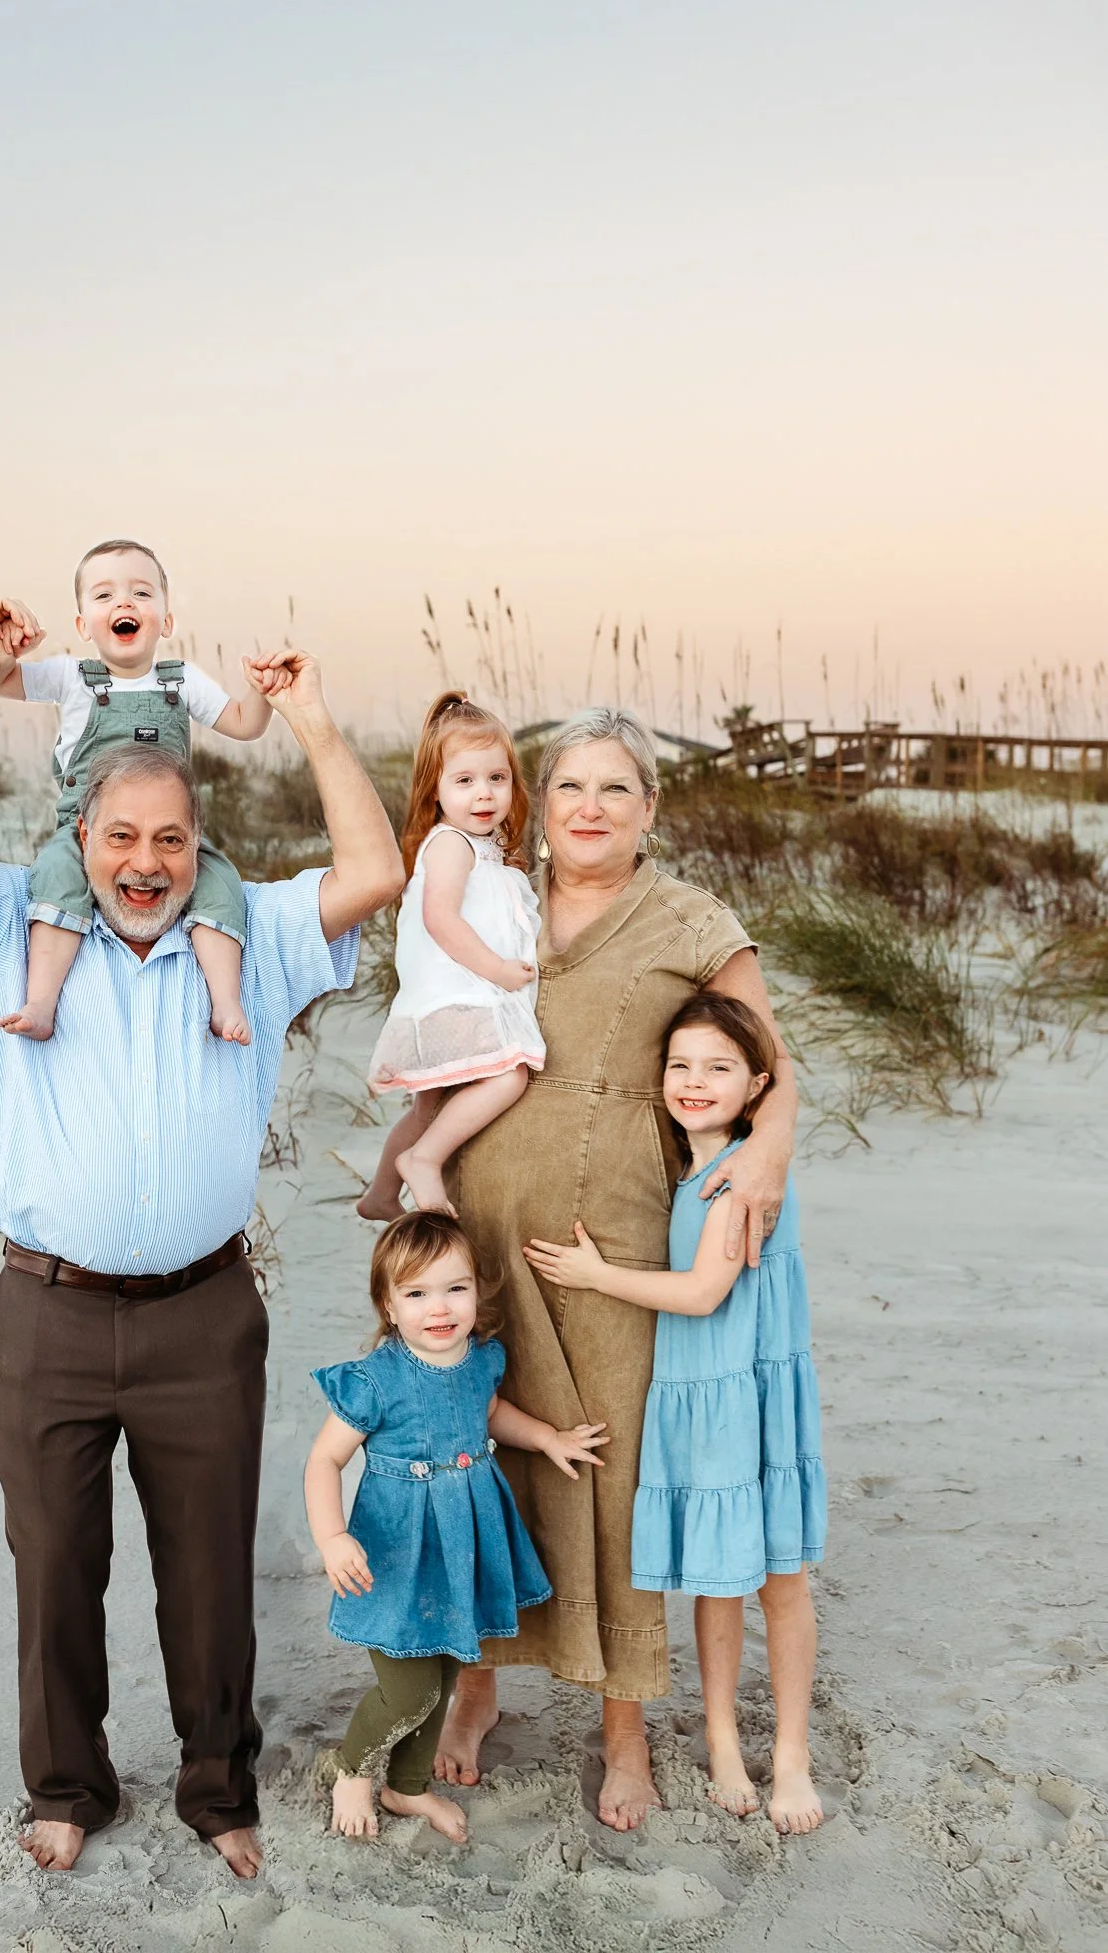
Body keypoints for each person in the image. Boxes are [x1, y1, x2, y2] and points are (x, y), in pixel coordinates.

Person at [0, 595, 403, 1880]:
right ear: (81, 838)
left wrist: (314, 717)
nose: (145, 861)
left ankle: (222, 1788)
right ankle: (66, 1785)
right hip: (48, 1310)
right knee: (54, 1564)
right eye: (119, 836)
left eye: (170, 837)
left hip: (206, 1313)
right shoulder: (10, 926)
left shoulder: (250, 936)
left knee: (211, 1570)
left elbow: (375, 871)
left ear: (199, 844)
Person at [433, 706, 798, 1833]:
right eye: (569, 789)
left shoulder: (691, 917)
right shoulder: (488, 897)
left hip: (624, 1237)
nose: (589, 809)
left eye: (616, 791)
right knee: (471, 1446)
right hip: (479, 1222)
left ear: (651, 809)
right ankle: (476, 1683)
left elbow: (774, 1069)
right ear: (538, 805)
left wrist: (762, 1171)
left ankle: (625, 1728)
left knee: (616, 1460)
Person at [524, 992, 826, 1835]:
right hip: (704, 1391)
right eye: (680, 1066)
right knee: (721, 1578)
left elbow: (700, 1293)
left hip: (744, 1387)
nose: (694, 1082)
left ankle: (792, 1753)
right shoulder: (689, 1165)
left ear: (757, 1083)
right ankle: (725, 1742)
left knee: (780, 1580)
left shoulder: (739, 1168)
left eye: (719, 1069)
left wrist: (594, 1277)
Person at [304, 1210, 608, 1844]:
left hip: (460, 1541)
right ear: (388, 1305)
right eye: (416, 1294)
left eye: (454, 1289)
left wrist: (546, 1436)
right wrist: (333, 1537)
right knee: (408, 1688)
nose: (438, 1308)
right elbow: (325, 1460)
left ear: (477, 1291)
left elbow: (491, 1411)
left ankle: (406, 1788)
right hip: (395, 1550)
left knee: (442, 1676)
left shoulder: (478, 1359)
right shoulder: (376, 1380)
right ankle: (352, 1772)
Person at [0, 538, 278, 1044]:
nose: (124, 603)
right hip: (84, 831)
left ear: (166, 621)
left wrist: (263, 690)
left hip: (169, 835)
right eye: (104, 596)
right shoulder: (71, 676)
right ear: (82, 626)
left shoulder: (181, 680)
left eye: (141, 593)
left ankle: (226, 1003)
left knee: (221, 884)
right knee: (55, 879)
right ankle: (41, 1001)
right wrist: (5, 651)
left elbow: (244, 724)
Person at [356, 692, 545, 1221]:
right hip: (459, 995)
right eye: (464, 781)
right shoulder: (451, 846)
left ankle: (380, 1194)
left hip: (446, 998)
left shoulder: (483, 849)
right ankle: (425, 1160)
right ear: (435, 790)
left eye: (497, 778)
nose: (483, 794)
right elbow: (441, 919)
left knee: (429, 1105)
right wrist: (501, 972)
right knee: (510, 1075)